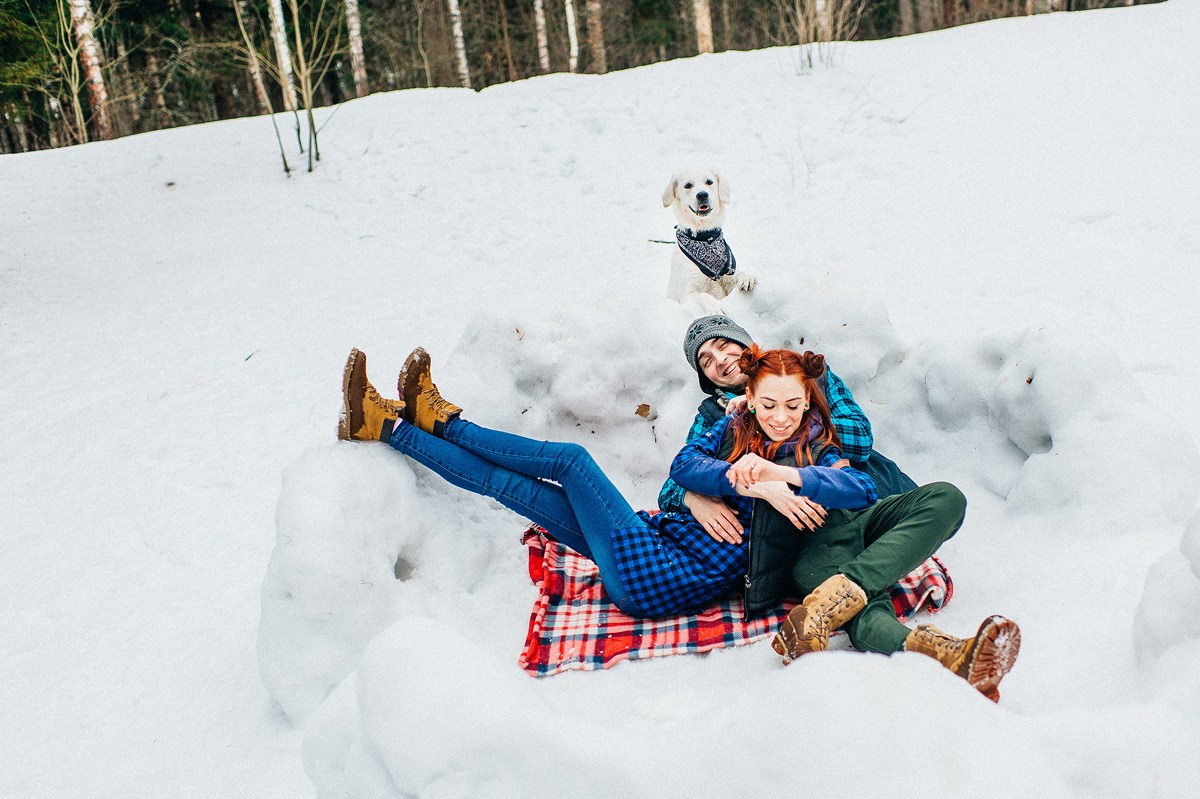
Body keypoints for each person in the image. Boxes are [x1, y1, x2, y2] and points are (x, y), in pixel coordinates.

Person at [338, 344, 1020, 699]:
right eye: (762, 403)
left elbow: (850, 477)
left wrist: (783, 480)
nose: (776, 415)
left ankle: (439, 417)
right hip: (655, 540)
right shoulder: (731, 432)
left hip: (655, 572)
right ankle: (395, 425)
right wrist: (731, 481)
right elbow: (684, 469)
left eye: (788, 403)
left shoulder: (815, 445)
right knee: (512, 488)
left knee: (573, 459)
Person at [659, 315, 917, 546]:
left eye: (724, 346)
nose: (721, 360)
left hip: (874, 503)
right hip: (802, 538)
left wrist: (774, 414)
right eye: (707, 361)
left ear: (743, 344)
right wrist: (691, 498)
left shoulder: (809, 373)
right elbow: (673, 484)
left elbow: (860, 439)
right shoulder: (711, 416)